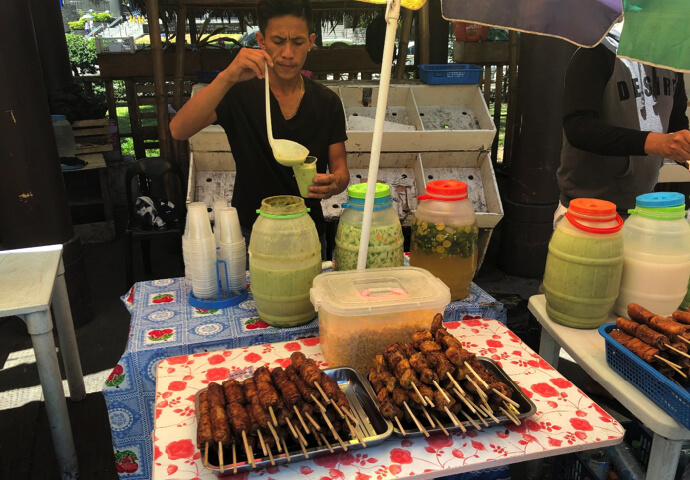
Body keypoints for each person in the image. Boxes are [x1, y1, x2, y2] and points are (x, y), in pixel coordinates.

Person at [169, 0, 349, 258]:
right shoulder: (239, 93)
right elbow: (178, 129)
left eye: (297, 43)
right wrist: (227, 76)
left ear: (310, 42)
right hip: (250, 233)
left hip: (307, 230)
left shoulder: (326, 102)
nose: (288, 53)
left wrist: (333, 184)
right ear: (261, 41)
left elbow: (340, 168)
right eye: (278, 41)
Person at [555, 21, 690, 227]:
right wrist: (655, 143)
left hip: (643, 207)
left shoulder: (669, 62)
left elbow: (676, 123)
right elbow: (578, 127)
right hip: (588, 213)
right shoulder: (597, 51)